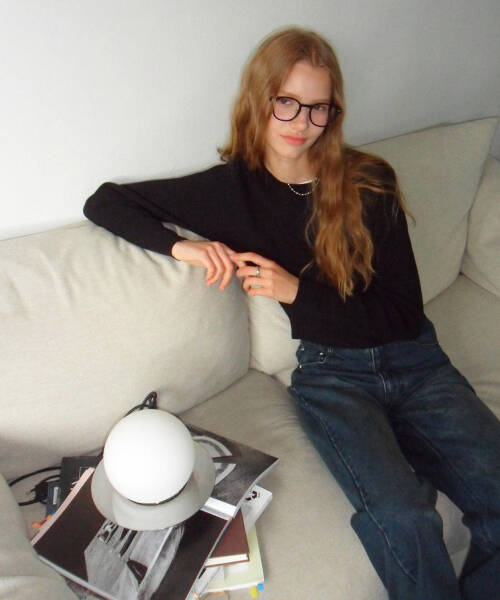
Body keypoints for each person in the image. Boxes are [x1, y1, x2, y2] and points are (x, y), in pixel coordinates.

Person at [83, 27, 500, 600]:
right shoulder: (231, 191)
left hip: (415, 361)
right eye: (287, 102)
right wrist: (185, 248)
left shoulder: (368, 181)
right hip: (334, 378)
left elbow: (402, 314)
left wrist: (296, 293)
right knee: (402, 515)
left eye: (318, 107)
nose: (301, 122)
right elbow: (106, 201)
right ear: (260, 99)